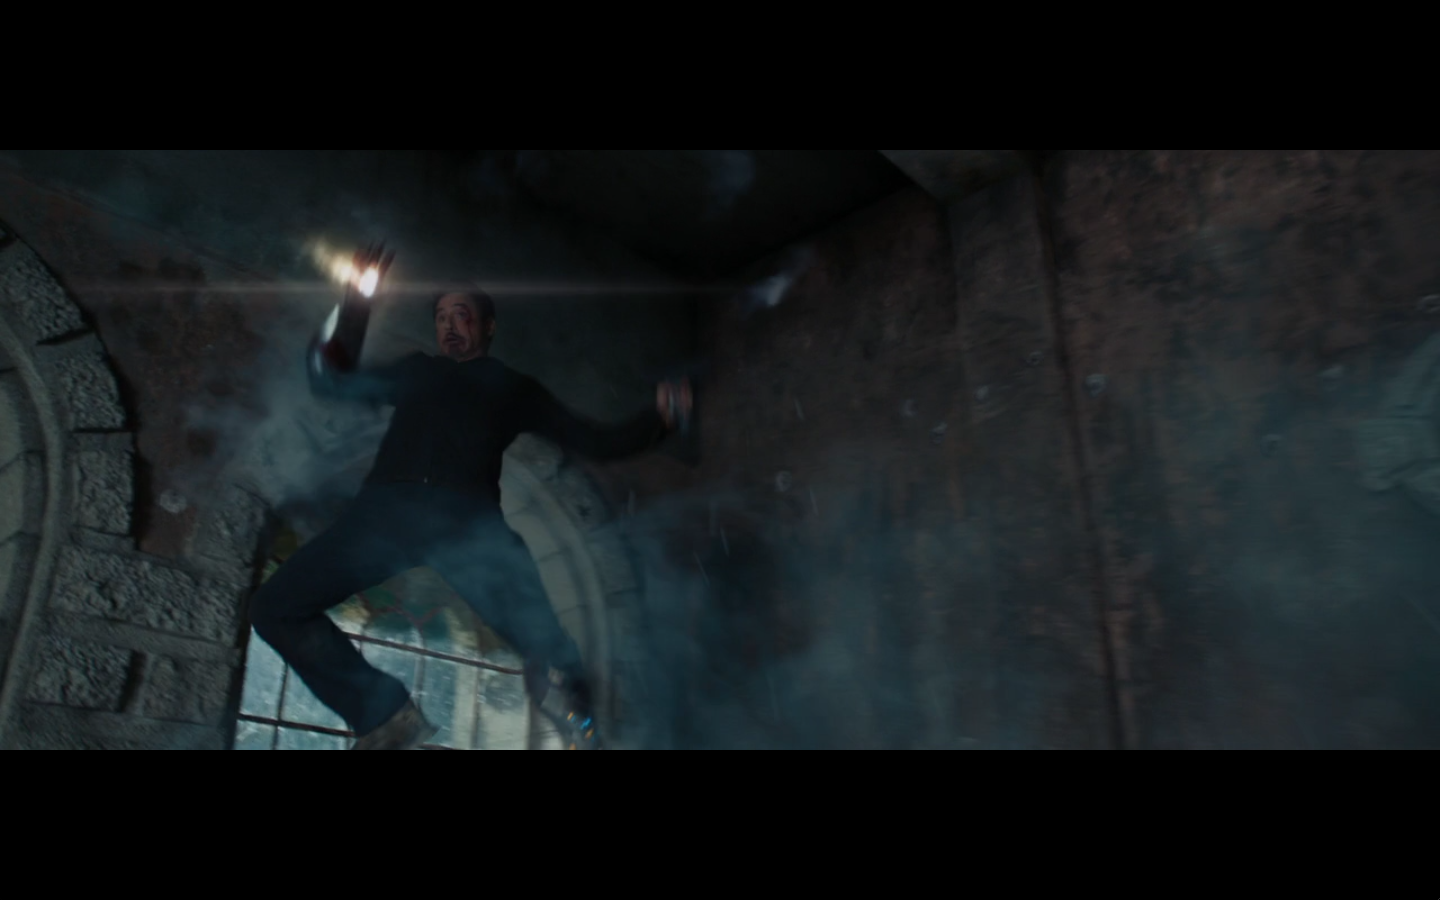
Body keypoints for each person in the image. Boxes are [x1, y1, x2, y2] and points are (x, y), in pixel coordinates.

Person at [247, 286, 692, 750]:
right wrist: (355, 308)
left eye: (461, 315)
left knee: (550, 648)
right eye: (441, 318)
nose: (449, 326)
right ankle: (383, 714)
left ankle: (587, 733)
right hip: (384, 514)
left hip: (464, 523)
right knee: (273, 608)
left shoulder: (513, 387)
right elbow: (329, 379)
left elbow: (596, 440)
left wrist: (659, 421)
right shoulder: (417, 370)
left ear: (488, 326)